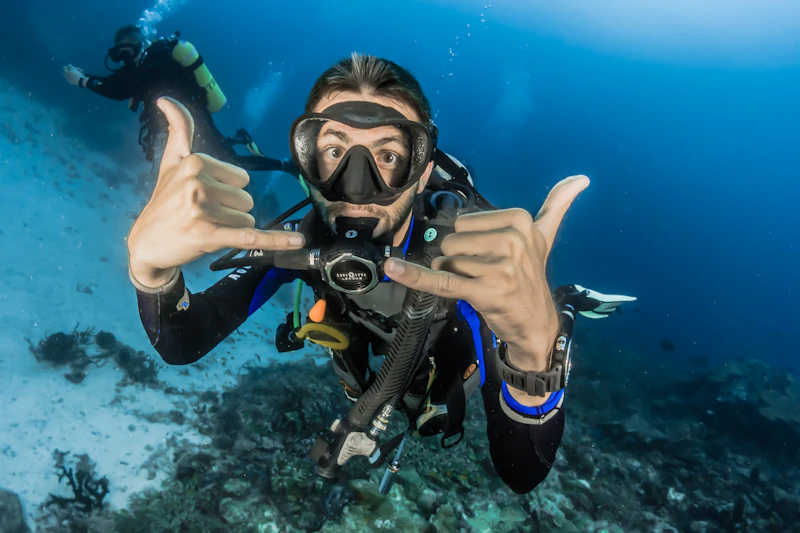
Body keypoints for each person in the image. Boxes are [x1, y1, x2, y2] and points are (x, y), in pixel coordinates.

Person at [126, 53, 634, 494]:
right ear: (306, 163)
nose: (357, 185)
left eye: (389, 155)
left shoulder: (466, 260)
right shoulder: (299, 239)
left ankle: (560, 306)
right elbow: (181, 340)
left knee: (484, 357)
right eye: (333, 151)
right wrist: (151, 271)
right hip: (370, 376)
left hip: (444, 366)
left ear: (422, 173)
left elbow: (522, 470)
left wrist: (534, 351)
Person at [63, 24, 235, 163]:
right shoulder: (137, 69)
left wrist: (83, 81)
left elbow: (120, 89)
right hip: (177, 133)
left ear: (141, 43)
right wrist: (85, 76)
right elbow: (115, 82)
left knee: (219, 169)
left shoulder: (158, 60)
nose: (125, 57)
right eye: (120, 53)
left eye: (128, 49)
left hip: (194, 129)